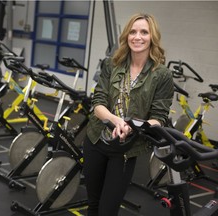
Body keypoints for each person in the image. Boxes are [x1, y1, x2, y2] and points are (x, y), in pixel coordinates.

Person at [83, 13, 174, 216]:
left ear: (152, 37)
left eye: (144, 32)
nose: (137, 37)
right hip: (96, 140)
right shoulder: (111, 64)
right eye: (132, 32)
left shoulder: (162, 75)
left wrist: (132, 127)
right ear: (126, 36)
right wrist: (116, 121)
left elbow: (159, 118)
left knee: (107, 210)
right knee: (93, 205)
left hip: (125, 150)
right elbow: (98, 103)